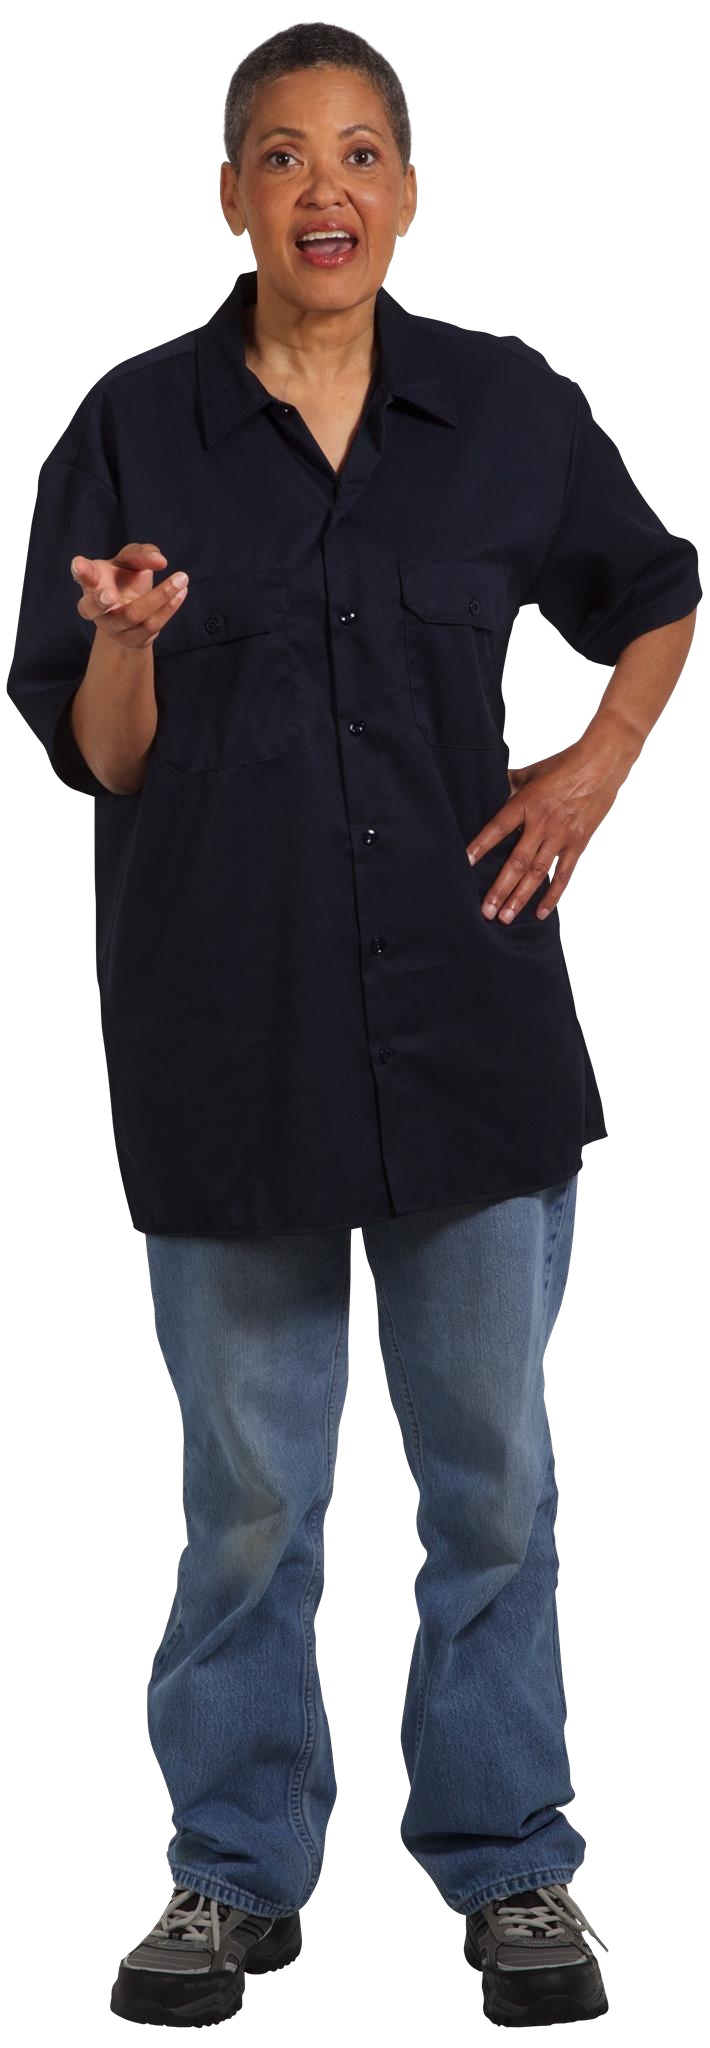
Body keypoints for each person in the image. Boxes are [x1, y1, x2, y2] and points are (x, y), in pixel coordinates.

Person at [6, 22, 700, 2032]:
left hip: (471, 1038)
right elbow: (99, 753)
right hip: (223, 1042)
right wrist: (127, 641)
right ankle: (230, 1873)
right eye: (284, 156)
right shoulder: (130, 427)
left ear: (406, 191)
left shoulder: (506, 405)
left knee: (493, 1483)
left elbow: (657, 585)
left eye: (363, 154)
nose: (327, 188)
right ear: (229, 196)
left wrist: (593, 765)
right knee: (247, 1505)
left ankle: (512, 1863)